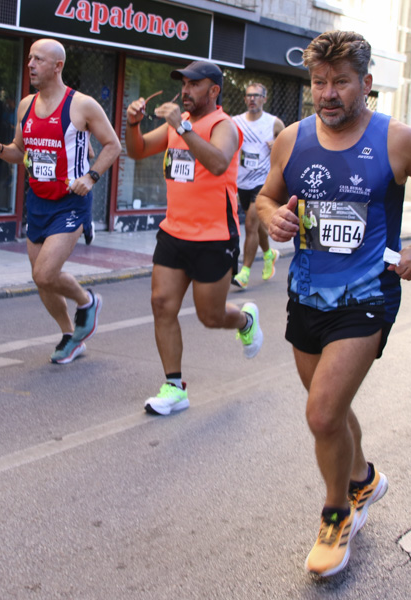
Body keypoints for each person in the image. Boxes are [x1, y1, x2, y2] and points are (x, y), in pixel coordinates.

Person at [256, 31, 411, 577]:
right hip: (305, 295)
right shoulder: (293, 139)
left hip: (367, 295)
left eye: (340, 82)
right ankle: (365, 479)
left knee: (322, 411)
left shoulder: (398, 140)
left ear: (367, 84)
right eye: (319, 82)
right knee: (334, 412)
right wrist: (267, 215)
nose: (327, 93)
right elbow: (265, 195)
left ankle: (336, 515)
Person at [125, 59, 263, 416]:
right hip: (174, 231)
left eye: (194, 84)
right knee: (161, 304)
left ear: (213, 90)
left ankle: (245, 321)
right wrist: (133, 123)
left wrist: (182, 128)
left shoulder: (225, 125)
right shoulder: (178, 127)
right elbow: (137, 150)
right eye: (183, 84)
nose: (186, 91)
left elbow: (217, 162)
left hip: (214, 236)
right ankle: (174, 387)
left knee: (210, 316)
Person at [0, 39, 121, 364]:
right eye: (29, 58)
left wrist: (91, 177)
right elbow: (19, 152)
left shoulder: (82, 105)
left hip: (70, 203)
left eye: (38, 59)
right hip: (38, 202)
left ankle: (87, 301)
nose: (30, 64)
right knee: (41, 279)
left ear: (57, 66)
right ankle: (70, 335)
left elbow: (112, 145)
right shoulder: (25, 105)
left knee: (45, 274)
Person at [231, 82, 285, 289]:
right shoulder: (235, 122)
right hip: (241, 181)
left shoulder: (274, 123)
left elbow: (290, 147)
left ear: (264, 98)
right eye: (249, 95)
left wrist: (277, 145)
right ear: (245, 99)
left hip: (262, 182)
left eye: (256, 95)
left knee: (252, 224)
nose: (252, 99)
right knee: (259, 225)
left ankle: (244, 273)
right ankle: (269, 255)